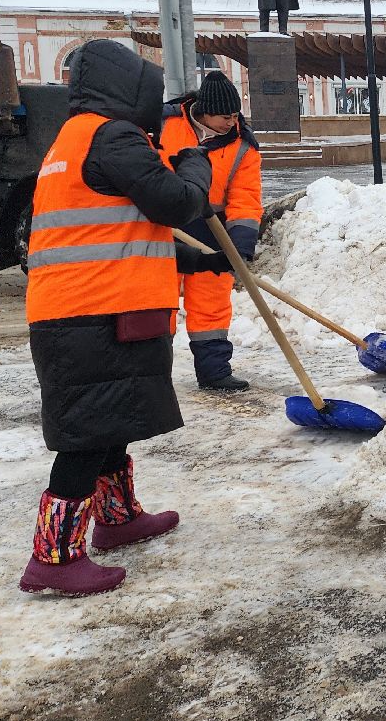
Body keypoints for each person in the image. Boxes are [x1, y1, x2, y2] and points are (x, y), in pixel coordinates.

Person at [20, 39, 232, 596]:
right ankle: (54, 557)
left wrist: (197, 259)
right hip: (92, 313)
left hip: (87, 307)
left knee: (109, 419)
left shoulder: (74, 138)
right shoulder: (112, 135)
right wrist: (195, 163)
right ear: (126, 88)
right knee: (87, 435)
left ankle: (117, 519)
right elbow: (176, 203)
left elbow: (114, 232)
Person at [158, 70, 263, 391]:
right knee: (159, 303)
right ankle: (154, 375)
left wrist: (240, 247)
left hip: (211, 230)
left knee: (211, 304)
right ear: (204, 111)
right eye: (224, 116)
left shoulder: (243, 146)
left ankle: (215, 373)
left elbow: (245, 199)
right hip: (165, 227)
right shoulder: (165, 124)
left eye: (235, 115)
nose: (232, 122)